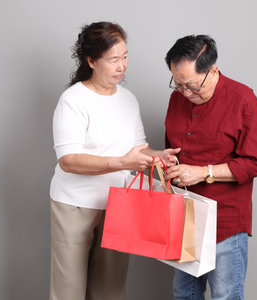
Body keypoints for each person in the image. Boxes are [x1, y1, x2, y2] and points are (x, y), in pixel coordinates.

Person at [49, 21, 179, 300]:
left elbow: (137, 150)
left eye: (125, 56)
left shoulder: (128, 100)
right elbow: (68, 160)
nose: (122, 66)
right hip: (74, 205)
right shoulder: (73, 100)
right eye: (113, 60)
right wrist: (123, 162)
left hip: (119, 203)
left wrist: (158, 156)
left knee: (110, 290)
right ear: (91, 61)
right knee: (68, 290)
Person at [163, 35, 257, 300]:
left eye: (191, 86)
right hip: (185, 217)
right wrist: (167, 162)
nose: (186, 93)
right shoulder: (178, 99)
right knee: (184, 294)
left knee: (225, 295)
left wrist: (202, 171)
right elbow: (174, 147)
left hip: (226, 221)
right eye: (178, 85)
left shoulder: (243, 100)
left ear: (213, 71)